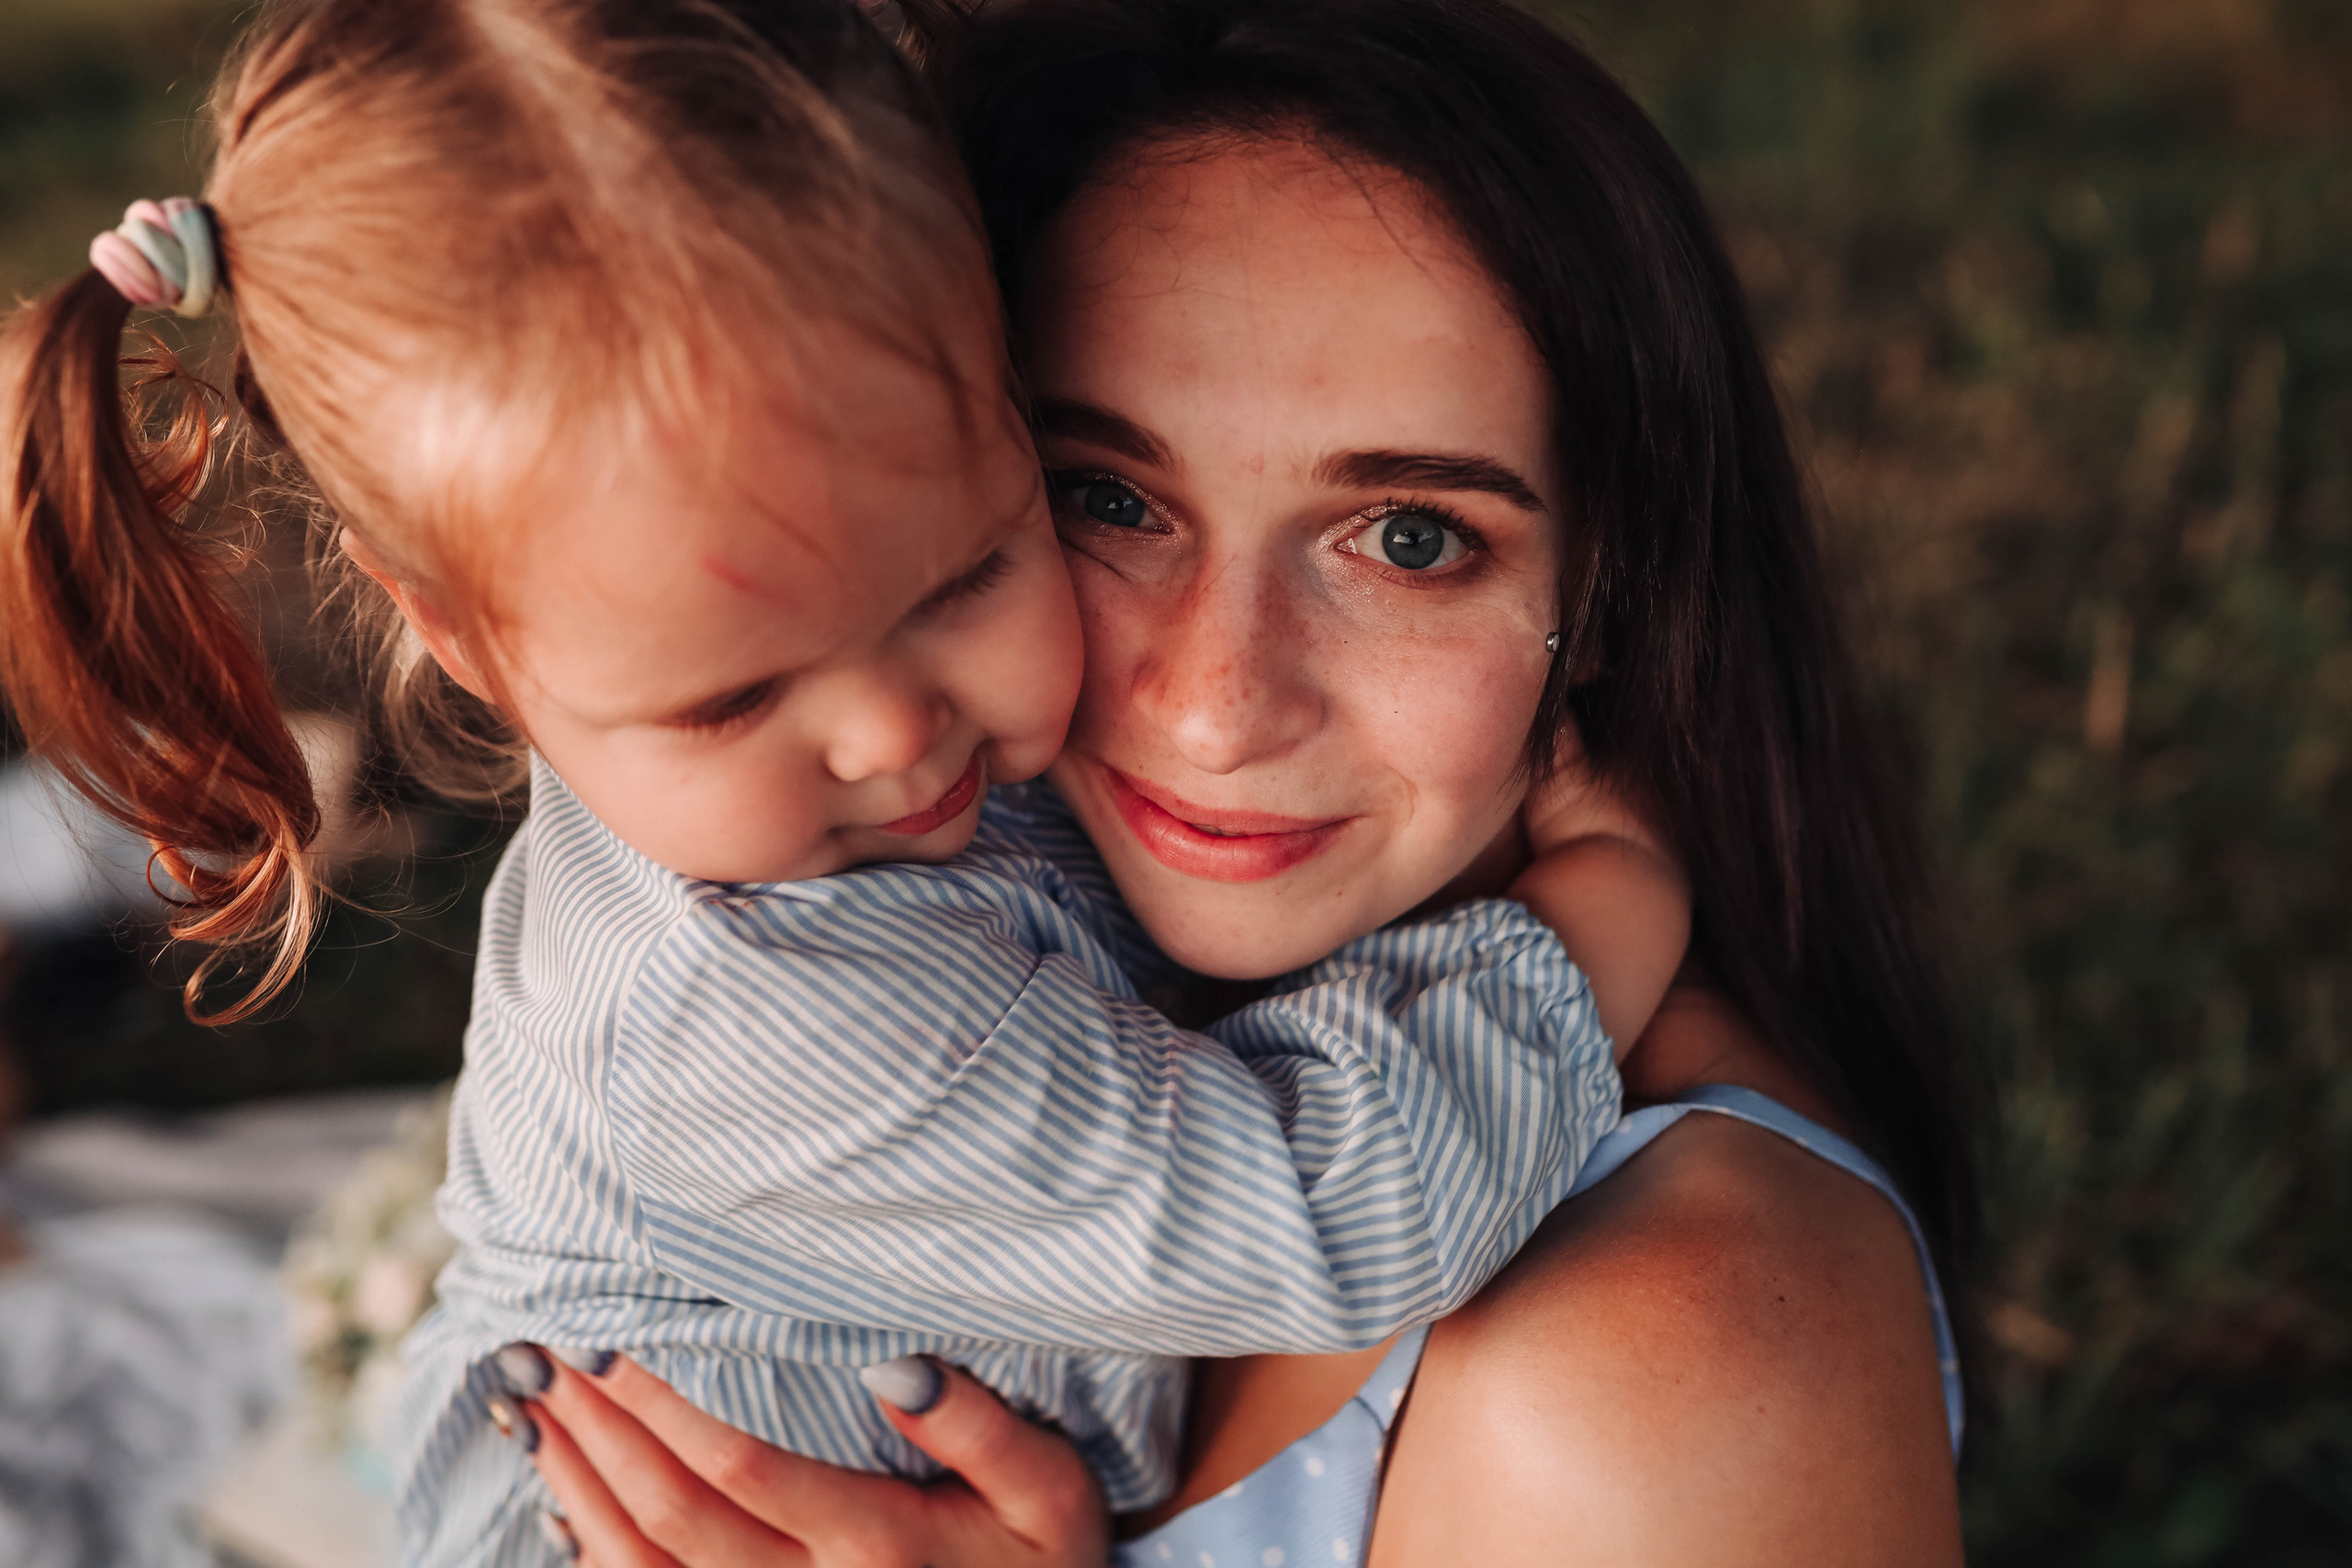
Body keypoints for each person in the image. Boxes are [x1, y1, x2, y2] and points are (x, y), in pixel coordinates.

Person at [0, 1, 1693, 1563]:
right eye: (737, 697)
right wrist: (1601, 910)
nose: (895, 739)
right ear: (467, 640)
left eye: (966, 575)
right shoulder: (749, 1014)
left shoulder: (736, 707)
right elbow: (1335, 1214)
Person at [505, 0, 1976, 1562]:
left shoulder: (1657, 1388)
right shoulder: (878, 888)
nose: (1213, 710)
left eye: (1410, 537)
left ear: (1610, 586)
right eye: (1104, 497)